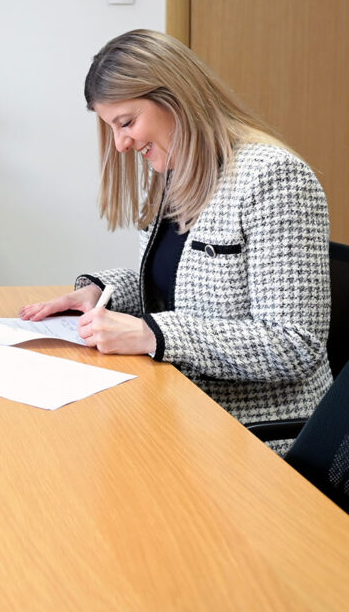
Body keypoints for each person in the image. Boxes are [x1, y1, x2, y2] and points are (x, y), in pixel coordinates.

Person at [20, 29, 331, 451]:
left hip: (252, 436)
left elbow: (294, 345)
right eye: (112, 128)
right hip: (180, 407)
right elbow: (177, 288)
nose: (121, 144)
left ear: (175, 98)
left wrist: (152, 334)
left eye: (126, 123)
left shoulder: (274, 178)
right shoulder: (176, 172)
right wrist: (99, 294)